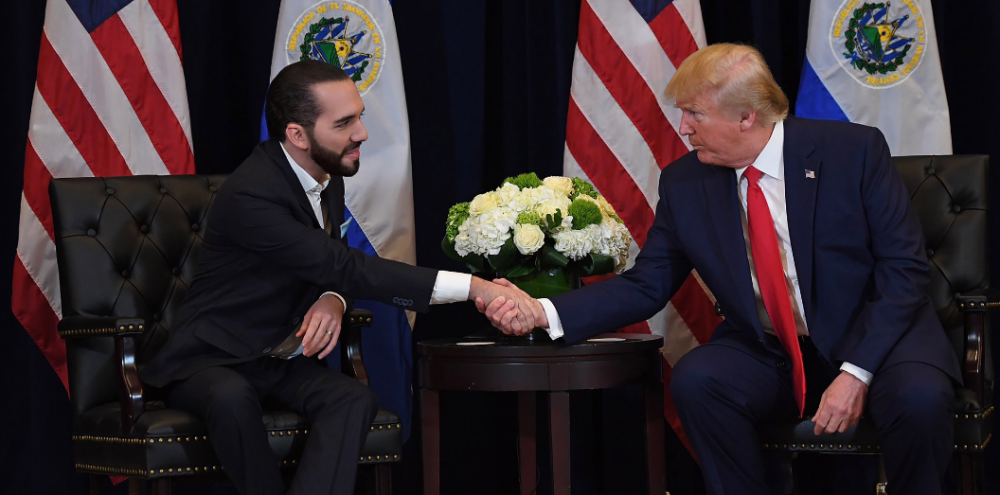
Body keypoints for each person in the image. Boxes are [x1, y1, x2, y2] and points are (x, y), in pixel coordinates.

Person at [480, 43, 959, 494]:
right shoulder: (686, 182)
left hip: (875, 336)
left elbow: (904, 272)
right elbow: (648, 284)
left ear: (746, 116)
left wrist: (856, 372)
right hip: (769, 346)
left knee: (920, 401)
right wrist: (544, 311)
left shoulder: (852, 152)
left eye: (695, 114)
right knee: (699, 381)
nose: (683, 128)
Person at [142, 60, 533, 495]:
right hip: (210, 357)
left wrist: (333, 297)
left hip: (275, 356)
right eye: (345, 122)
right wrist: (473, 287)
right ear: (297, 134)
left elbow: (328, 266)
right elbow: (343, 265)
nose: (362, 133)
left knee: (353, 398)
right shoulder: (253, 193)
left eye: (360, 116)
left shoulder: (326, 175)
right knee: (231, 399)